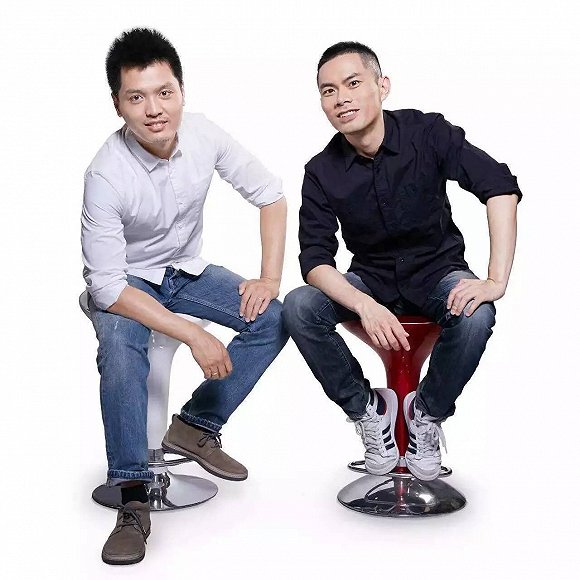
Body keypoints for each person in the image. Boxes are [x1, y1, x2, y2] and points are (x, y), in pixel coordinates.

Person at [81, 28, 288, 565]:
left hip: (185, 272)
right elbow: (106, 286)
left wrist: (268, 279)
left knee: (274, 317)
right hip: (126, 285)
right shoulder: (105, 175)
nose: (154, 110)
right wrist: (194, 333)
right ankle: (132, 498)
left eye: (164, 92)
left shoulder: (203, 133)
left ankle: (194, 427)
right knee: (121, 348)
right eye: (137, 97)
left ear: (181, 91)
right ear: (118, 104)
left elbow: (271, 195)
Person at [283, 41, 520, 482]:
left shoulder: (427, 133)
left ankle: (425, 415)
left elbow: (499, 186)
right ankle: (369, 411)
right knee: (299, 306)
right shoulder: (321, 170)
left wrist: (495, 280)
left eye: (353, 83)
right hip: (370, 280)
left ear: (382, 86)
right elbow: (314, 260)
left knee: (476, 316)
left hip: (438, 273)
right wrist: (364, 304)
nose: (341, 98)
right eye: (328, 91)